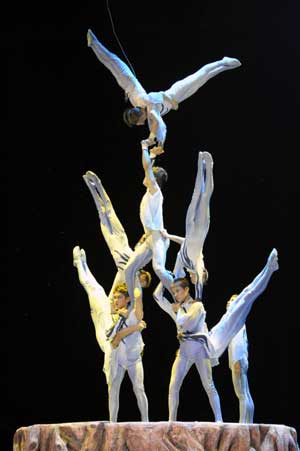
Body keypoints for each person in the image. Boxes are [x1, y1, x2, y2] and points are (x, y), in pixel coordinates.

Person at [153, 248, 279, 421]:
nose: (175, 294)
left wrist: (178, 310)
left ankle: (269, 269)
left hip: (204, 348)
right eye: (173, 292)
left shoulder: (197, 306)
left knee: (244, 299)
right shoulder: (177, 309)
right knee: (173, 385)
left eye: (177, 291)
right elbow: (157, 296)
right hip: (184, 352)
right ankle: (171, 422)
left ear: (187, 290)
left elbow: (185, 322)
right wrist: (172, 273)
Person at [87, 29, 241, 149]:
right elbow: (155, 130)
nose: (140, 125)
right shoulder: (145, 110)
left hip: (175, 92)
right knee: (204, 80)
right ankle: (224, 67)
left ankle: (222, 61)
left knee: (201, 75)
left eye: (138, 123)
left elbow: (161, 123)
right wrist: (150, 143)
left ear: (139, 117)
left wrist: (160, 143)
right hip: (176, 97)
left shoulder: (148, 106)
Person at [73, 245, 149, 422]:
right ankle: (79, 263)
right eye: (115, 298)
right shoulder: (116, 307)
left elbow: (138, 302)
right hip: (111, 343)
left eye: (119, 298)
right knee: (94, 290)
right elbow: (115, 340)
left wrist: (137, 292)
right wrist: (135, 328)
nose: (116, 300)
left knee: (139, 388)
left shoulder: (132, 311)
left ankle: (146, 423)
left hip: (130, 356)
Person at [82, 170, 152, 306]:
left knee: (101, 213)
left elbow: (114, 291)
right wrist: (147, 237)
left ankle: (90, 186)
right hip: (121, 236)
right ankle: (97, 183)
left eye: (142, 285)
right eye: (144, 281)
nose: (141, 284)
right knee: (109, 210)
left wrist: (110, 305)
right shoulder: (138, 262)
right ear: (144, 275)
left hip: (111, 241)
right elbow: (142, 245)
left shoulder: (124, 275)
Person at [124, 139, 174, 307]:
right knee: (129, 269)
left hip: (159, 238)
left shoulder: (155, 191)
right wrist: (152, 156)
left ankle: (178, 298)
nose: (146, 176)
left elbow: (147, 169)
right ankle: (130, 305)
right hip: (149, 239)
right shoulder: (150, 192)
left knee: (159, 269)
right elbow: (148, 168)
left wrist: (145, 147)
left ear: (154, 179)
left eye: (150, 175)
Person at [161, 151, 213, 300]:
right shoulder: (198, 263)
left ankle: (200, 164)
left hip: (190, 228)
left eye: (197, 280)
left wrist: (168, 236)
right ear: (203, 273)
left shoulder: (184, 263)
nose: (196, 280)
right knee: (205, 197)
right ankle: (207, 167)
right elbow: (199, 283)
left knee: (196, 194)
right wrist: (198, 299)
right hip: (201, 229)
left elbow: (184, 242)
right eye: (200, 278)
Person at [227, 294, 254, 423]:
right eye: (229, 300)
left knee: (242, 394)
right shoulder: (237, 319)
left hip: (238, 359)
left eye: (232, 301)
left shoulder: (236, 319)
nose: (228, 302)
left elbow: (238, 343)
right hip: (240, 358)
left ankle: (243, 424)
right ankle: (249, 422)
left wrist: (236, 361)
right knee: (246, 393)